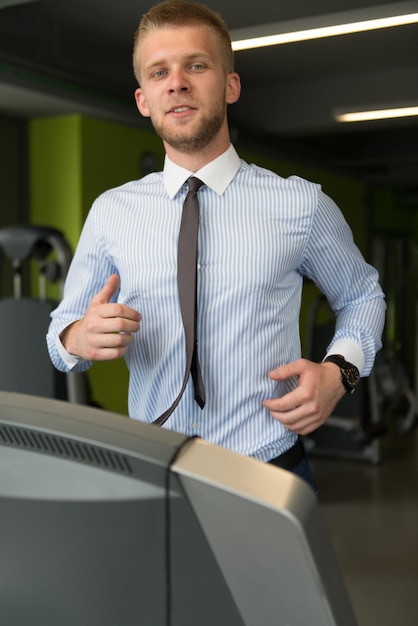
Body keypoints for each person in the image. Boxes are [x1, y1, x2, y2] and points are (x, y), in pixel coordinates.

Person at [47, 0, 385, 491]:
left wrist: (340, 373)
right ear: (144, 99)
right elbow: (61, 334)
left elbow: (362, 297)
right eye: (159, 71)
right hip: (151, 471)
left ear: (231, 85)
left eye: (196, 65)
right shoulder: (111, 213)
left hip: (268, 470)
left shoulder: (301, 204)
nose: (177, 82)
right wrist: (78, 337)